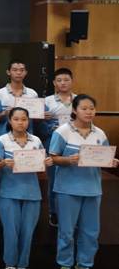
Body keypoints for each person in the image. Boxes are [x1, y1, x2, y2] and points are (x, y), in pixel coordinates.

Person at [49, 94, 118, 269]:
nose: (89, 112)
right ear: (74, 110)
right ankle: (65, 264)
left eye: (92, 108)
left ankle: (85, 264)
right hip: (67, 189)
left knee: (91, 232)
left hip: (93, 189)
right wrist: (68, 160)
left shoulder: (100, 133)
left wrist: (111, 162)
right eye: (84, 108)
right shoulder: (62, 131)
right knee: (66, 231)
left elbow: (104, 158)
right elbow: (53, 158)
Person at [0, 107, 53, 269]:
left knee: (28, 233)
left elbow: (42, 165)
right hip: (8, 192)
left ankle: (22, 264)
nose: (20, 123)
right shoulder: (2, 140)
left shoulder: (36, 140)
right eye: (16, 119)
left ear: (28, 121)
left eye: (24, 119)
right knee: (10, 231)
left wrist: (47, 162)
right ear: (10, 121)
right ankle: (10, 264)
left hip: (32, 192)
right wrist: (2, 163)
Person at [43, 68, 75, 227]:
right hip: (53, 141)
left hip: (74, 143)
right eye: (59, 80)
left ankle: (72, 212)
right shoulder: (46, 101)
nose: (63, 83)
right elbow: (40, 127)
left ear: (72, 81)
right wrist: (47, 124)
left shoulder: (79, 100)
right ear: (54, 83)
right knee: (54, 179)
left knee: (74, 177)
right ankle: (53, 212)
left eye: (66, 79)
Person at [0, 60, 38, 137]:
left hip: (28, 137)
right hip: (5, 137)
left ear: (26, 72)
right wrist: (4, 113)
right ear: (8, 72)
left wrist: (40, 115)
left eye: (22, 70)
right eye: (15, 70)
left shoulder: (33, 94)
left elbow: (37, 121)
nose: (18, 73)